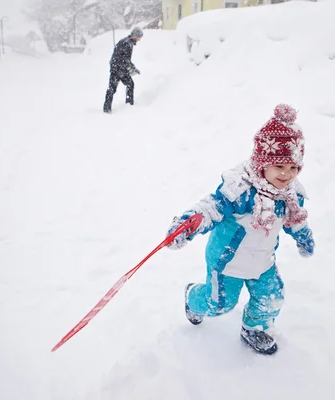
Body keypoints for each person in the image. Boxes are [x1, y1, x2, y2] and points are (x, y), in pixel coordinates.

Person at [166, 104, 315, 355]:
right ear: (262, 162)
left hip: (263, 262)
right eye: (280, 166)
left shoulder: (290, 195)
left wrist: (303, 236)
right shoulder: (240, 191)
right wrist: (187, 225)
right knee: (218, 304)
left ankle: (253, 328)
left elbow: (294, 219)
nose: (286, 174)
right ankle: (193, 297)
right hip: (228, 263)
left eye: (293, 168)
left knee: (272, 298)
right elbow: (211, 208)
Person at [103, 27, 143, 113]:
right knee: (130, 84)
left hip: (115, 67)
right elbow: (125, 60)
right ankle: (129, 105)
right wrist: (132, 69)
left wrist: (132, 68)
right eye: (139, 37)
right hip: (119, 68)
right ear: (135, 35)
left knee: (112, 88)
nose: (139, 39)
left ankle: (106, 108)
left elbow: (123, 58)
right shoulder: (128, 43)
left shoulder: (125, 41)